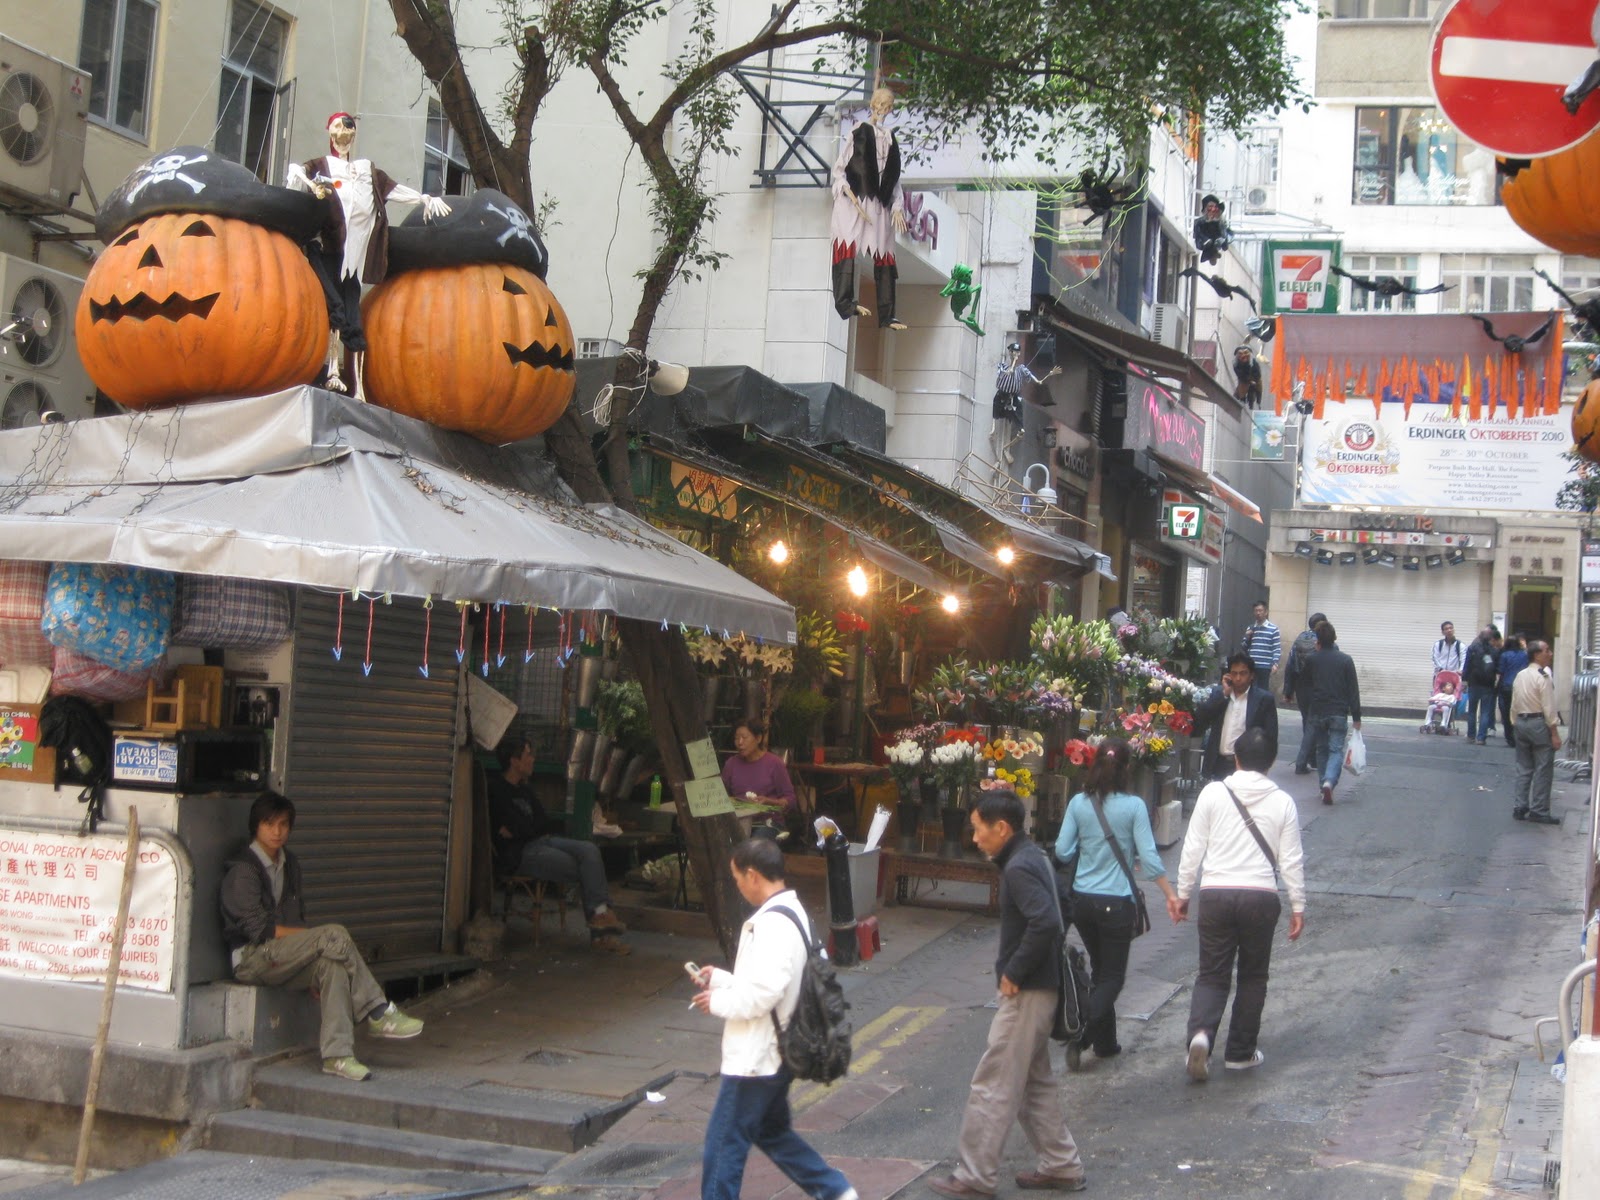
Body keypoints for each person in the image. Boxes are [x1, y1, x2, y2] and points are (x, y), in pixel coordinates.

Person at [932, 790, 1087, 1197]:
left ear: (1002, 828)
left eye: (979, 830)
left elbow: (1047, 920)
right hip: (1043, 986)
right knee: (1033, 1084)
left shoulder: (1018, 868)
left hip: (1028, 992)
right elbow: (1064, 906)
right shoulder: (1034, 856)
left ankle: (975, 1174)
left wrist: (1015, 970)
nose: (975, 838)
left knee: (995, 1082)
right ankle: (1061, 1164)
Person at [689, 838, 858, 1200]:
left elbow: (761, 995)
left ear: (752, 876)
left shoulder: (771, 925)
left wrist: (716, 1001)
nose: (738, 887)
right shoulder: (794, 913)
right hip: (779, 1050)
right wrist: (719, 979)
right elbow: (770, 984)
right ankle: (836, 1190)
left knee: (722, 1148)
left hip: (756, 1058)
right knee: (772, 1133)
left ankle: (836, 1190)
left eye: (737, 879)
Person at [220, 791, 425, 1082]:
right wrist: (315, 943)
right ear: (256, 826)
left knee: (333, 964)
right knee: (334, 935)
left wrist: (310, 953)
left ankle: (337, 1056)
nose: (277, 832)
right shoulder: (243, 870)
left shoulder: (289, 864)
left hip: (282, 956)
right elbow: (258, 930)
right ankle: (378, 1010)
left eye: (283, 825)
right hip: (252, 958)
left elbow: (296, 920)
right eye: (269, 824)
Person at [1172, 728, 1306, 1081]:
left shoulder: (1214, 792)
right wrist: (1298, 905)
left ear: (1237, 758)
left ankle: (1201, 1036)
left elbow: (1193, 847)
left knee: (1212, 975)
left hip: (1216, 892)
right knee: (1252, 976)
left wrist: (1183, 893)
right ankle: (1240, 1053)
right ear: (1272, 763)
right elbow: (1291, 859)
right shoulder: (1283, 802)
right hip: (1260, 896)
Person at [286, 112, 450, 396]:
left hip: (356, 254)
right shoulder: (322, 167)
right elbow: (295, 174)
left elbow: (393, 189)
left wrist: (424, 198)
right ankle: (332, 370)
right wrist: (302, 181)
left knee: (352, 310)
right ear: (330, 132)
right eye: (338, 127)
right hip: (328, 250)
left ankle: (357, 385)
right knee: (333, 305)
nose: (343, 133)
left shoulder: (367, 171)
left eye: (348, 127)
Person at [1052, 740, 1180, 1069]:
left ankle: (1105, 1042)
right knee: (1113, 978)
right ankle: (1081, 1032)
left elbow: (1063, 851)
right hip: (1116, 903)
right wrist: (1170, 895)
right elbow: (1149, 859)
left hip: (1082, 901)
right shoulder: (1135, 806)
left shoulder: (1080, 803)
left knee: (1101, 969)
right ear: (1126, 769)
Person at [488, 736, 629, 952]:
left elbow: (541, 822)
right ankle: (601, 936)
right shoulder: (496, 790)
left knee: (590, 850)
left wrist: (521, 828)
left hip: (541, 841)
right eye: (528, 754)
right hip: (521, 853)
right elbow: (509, 828)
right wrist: (523, 828)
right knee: (587, 870)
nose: (533, 759)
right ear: (514, 761)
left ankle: (601, 916)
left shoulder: (525, 790)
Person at [830, 88, 906, 330]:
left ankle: (888, 314)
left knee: (885, 256)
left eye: (887, 104)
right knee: (846, 247)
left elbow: (895, 180)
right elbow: (839, 169)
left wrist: (897, 206)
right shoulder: (859, 132)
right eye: (880, 103)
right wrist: (846, 191)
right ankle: (845, 303)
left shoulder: (891, 139)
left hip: (879, 204)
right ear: (874, 104)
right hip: (856, 200)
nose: (882, 108)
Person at [1299, 621, 1361, 806]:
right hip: (1338, 711)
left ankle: (1322, 785)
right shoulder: (1345, 660)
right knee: (1335, 750)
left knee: (1321, 749)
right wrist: (1357, 716)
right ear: (1334, 638)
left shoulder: (1312, 660)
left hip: (1318, 710)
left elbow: (1305, 685)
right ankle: (1329, 781)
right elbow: (1353, 690)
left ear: (1318, 639)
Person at [1193, 653, 1280, 781]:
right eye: (1234, 673)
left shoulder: (1263, 700)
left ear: (1252, 676)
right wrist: (1224, 695)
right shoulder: (1219, 694)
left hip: (1248, 766)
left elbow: (1271, 736)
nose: (1238, 678)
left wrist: (1265, 766)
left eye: (1243, 673)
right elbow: (1201, 720)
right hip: (1219, 764)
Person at [1509, 640, 1562, 825]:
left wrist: (1515, 722)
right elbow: (1548, 707)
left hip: (1521, 722)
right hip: (1538, 723)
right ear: (1537, 655)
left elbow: (1514, 702)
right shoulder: (1543, 677)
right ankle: (1539, 809)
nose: (1550, 653)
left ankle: (1520, 805)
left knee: (1523, 767)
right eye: (1546, 650)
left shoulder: (1520, 675)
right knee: (1543, 767)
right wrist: (1554, 732)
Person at [720, 719, 796, 812]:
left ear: (758, 738)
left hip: (767, 821)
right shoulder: (731, 764)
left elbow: (791, 800)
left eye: (744, 737)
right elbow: (720, 796)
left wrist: (770, 802)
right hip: (739, 820)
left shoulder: (774, 763)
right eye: (736, 738)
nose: (740, 742)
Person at [1282, 612, 1325, 775]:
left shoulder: (1300, 638)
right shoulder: (1324, 640)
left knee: (1307, 722)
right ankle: (1302, 762)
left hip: (1301, 687)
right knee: (1314, 725)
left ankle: (1312, 759)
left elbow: (1290, 665)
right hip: (1318, 687)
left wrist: (1288, 690)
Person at [1463, 625, 1502, 746]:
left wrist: (1464, 680)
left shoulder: (1472, 648)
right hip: (1488, 684)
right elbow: (1497, 669)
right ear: (1491, 638)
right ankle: (1481, 737)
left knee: (1472, 711)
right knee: (1485, 712)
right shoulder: (1494, 651)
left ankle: (1471, 736)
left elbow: (1467, 665)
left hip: (1474, 683)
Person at [1496, 635, 1529, 749]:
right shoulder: (1524, 655)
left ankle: (1509, 736)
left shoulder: (1505, 655)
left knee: (1506, 712)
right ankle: (1519, 735)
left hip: (1506, 685)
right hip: (1521, 685)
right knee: (1520, 711)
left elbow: (1500, 670)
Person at [1239, 600, 1281, 683]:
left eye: (1260, 610)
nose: (1258, 613)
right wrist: (1247, 636)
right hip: (1251, 665)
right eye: (1256, 611)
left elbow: (1276, 648)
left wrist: (1275, 663)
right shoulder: (1251, 628)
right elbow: (1243, 647)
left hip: (1265, 666)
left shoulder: (1273, 629)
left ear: (1266, 612)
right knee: (1250, 689)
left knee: (1262, 690)